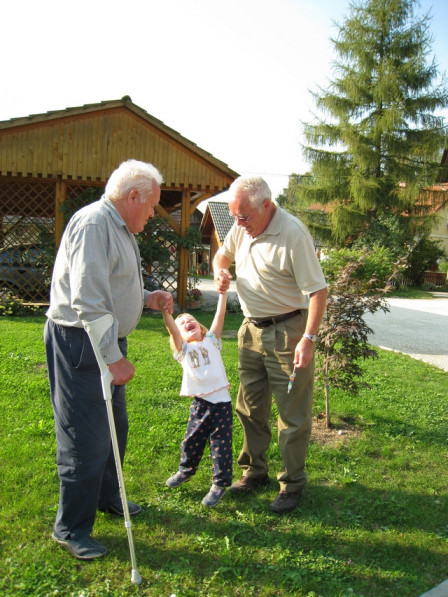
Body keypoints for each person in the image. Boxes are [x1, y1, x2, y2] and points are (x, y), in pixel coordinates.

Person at [44, 159, 174, 560]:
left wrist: (147, 297)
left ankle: (105, 497)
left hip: (100, 340)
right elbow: (88, 299)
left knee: (113, 427)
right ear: (133, 196)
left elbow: (112, 282)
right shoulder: (95, 225)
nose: (152, 214)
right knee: (85, 437)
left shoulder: (117, 226)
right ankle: (70, 528)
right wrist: (114, 358)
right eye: (150, 206)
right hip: (83, 342)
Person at [213, 176, 328, 514]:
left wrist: (308, 339)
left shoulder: (293, 233)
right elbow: (222, 257)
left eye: (244, 216)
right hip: (249, 330)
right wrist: (220, 270)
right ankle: (254, 472)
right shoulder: (241, 226)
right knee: (249, 407)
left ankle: (291, 484)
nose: (239, 223)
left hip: (288, 333)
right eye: (235, 216)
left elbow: (318, 292)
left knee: (292, 415)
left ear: (266, 205)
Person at [162, 292, 232, 507]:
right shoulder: (183, 350)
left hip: (222, 404)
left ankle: (219, 484)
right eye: (182, 323)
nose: (187, 322)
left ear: (201, 327)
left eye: (191, 319)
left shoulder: (212, 341)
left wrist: (222, 294)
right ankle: (186, 470)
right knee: (191, 440)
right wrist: (167, 314)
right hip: (201, 404)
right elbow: (173, 331)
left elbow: (219, 316)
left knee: (220, 445)